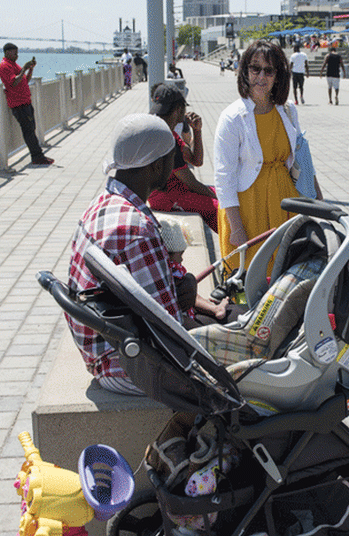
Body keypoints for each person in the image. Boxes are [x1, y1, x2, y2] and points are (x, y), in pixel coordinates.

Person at [67, 113, 179, 395]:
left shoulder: (104, 203)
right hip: (125, 365)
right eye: (171, 157)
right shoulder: (137, 229)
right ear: (155, 166)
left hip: (101, 349)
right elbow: (170, 328)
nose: (175, 165)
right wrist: (185, 295)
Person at [213, 40, 323, 267]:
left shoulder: (288, 111)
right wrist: (236, 229)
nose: (261, 76)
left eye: (269, 70)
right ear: (244, 72)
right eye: (255, 68)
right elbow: (224, 178)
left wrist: (318, 201)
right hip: (247, 210)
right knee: (249, 277)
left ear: (278, 75)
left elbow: (302, 158)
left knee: (285, 271)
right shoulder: (232, 118)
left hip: (285, 203)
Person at [147, 83, 220, 232]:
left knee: (222, 193)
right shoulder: (167, 139)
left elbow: (196, 161)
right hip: (167, 198)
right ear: (178, 110)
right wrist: (220, 199)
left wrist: (197, 131)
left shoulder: (167, 132)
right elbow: (191, 182)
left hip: (177, 191)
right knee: (221, 208)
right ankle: (237, 247)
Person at [156, 213, 229, 329]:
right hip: (183, 318)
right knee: (189, 288)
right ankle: (215, 309)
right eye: (180, 254)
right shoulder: (174, 270)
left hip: (179, 311)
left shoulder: (159, 267)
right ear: (169, 253)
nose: (182, 259)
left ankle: (215, 308)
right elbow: (190, 296)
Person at [0, 43, 53, 166]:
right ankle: (37, 156)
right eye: (14, 53)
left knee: (31, 129)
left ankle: (37, 156)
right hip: (19, 105)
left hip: (26, 102)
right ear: (7, 52)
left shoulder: (13, 65)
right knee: (28, 131)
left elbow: (24, 81)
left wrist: (30, 69)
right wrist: (24, 68)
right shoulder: (4, 66)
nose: (17, 55)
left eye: (17, 53)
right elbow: (13, 83)